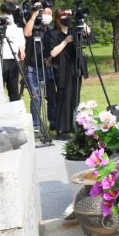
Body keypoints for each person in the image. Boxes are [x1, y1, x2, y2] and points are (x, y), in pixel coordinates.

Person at [49, 8, 90, 141]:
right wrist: (66, 41)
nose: (67, 17)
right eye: (64, 15)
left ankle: (73, 125)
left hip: (75, 67)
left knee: (75, 96)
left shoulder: (74, 30)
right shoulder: (53, 33)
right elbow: (53, 53)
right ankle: (61, 129)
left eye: (69, 14)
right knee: (63, 98)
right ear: (57, 18)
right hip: (62, 69)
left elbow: (89, 34)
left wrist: (81, 21)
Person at [23, 0, 54, 134]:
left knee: (51, 96)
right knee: (36, 97)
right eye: (45, 13)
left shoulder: (51, 30)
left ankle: (54, 123)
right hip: (32, 68)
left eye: (50, 13)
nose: (47, 15)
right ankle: (36, 126)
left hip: (47, 67)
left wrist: (51, 58)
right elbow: (26, 33)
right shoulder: (34, 26)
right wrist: (34, 15)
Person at [0, 2, 26, 101]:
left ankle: (15, 106)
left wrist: (22, 51)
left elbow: (21, 42)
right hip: (1, 59)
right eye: (6, 13)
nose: (8, 15)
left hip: (14, 60)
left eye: (10, 13)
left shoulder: (17, 28)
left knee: (14, 88)